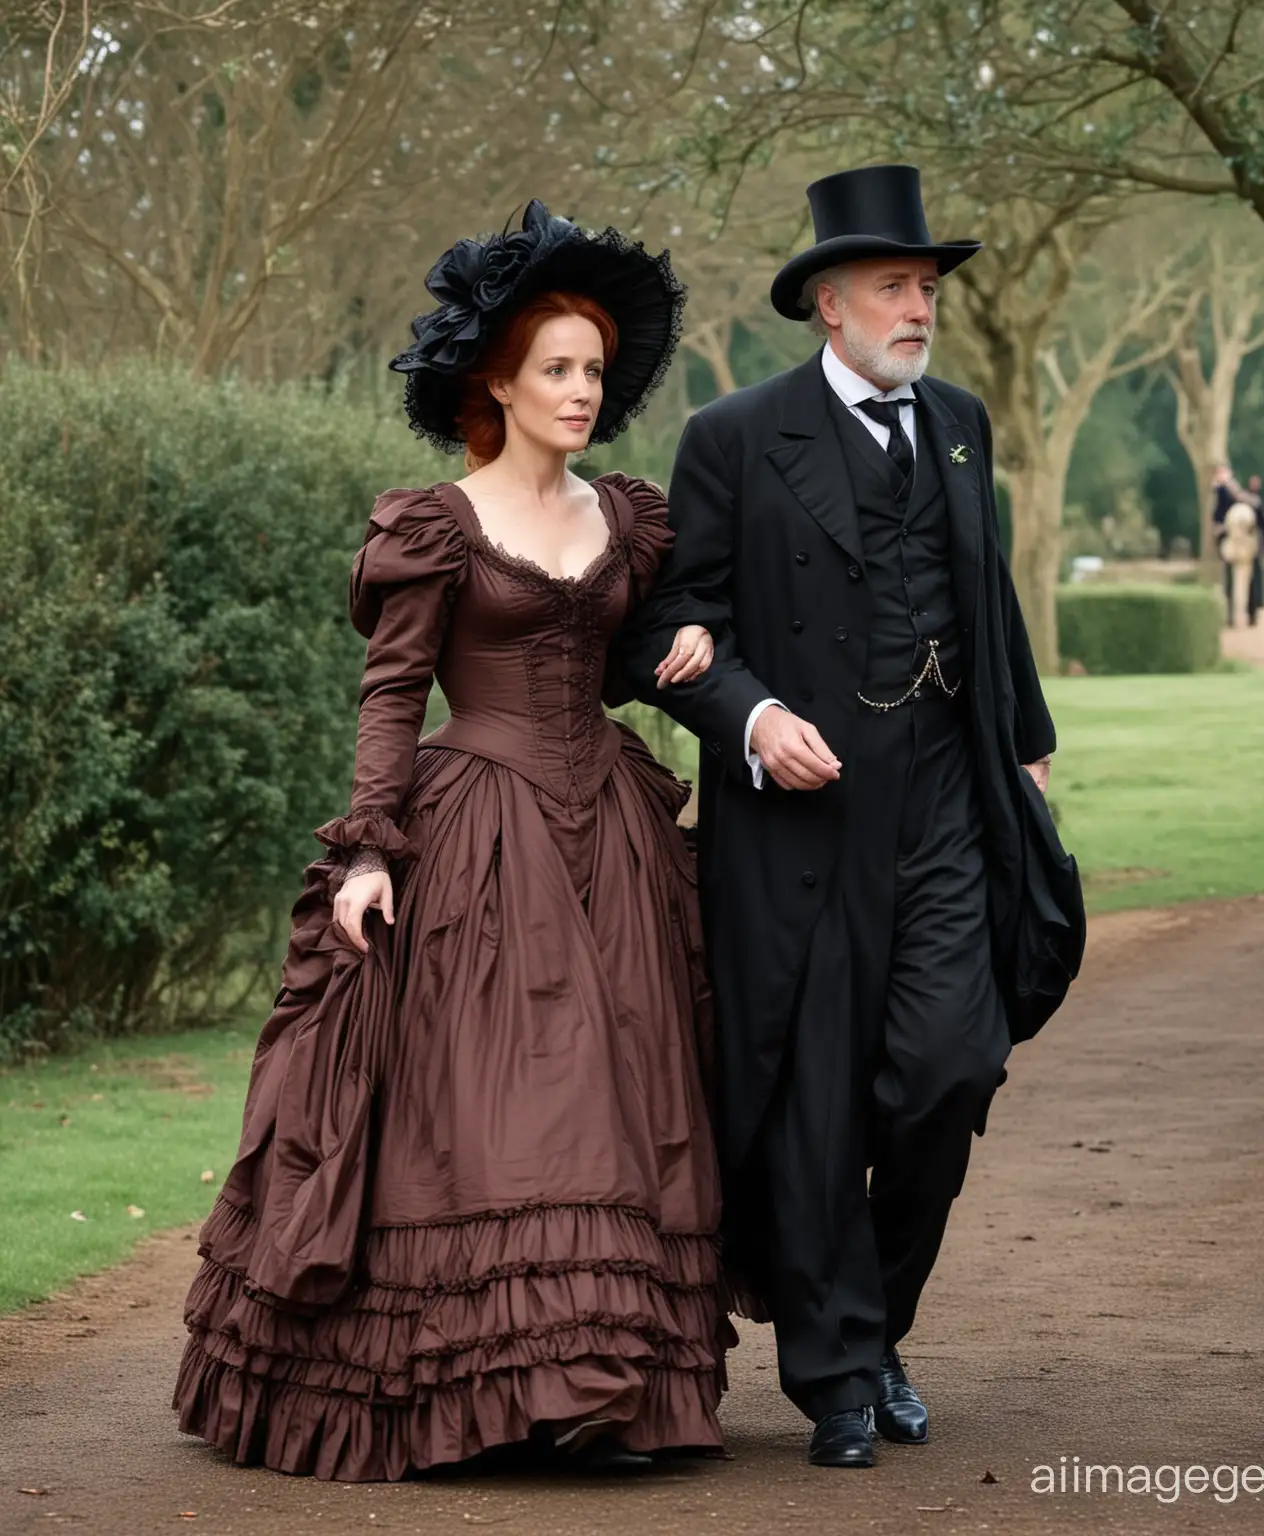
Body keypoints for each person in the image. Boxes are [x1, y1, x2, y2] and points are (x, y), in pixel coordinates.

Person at [173, 201, 731, 1481]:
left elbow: (628, 652)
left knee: (635, 1090)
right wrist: (369, 848)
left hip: (615, 838)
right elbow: (393, 694)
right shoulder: (437, 522)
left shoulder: (628, 520)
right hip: (480, 835)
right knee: (529, 1103)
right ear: (499, 380)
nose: (583, 390)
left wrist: (683, 653)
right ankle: (538, 1379)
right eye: (558, 368)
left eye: (594, 370)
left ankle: (611, 1380)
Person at [622, 165, 1070, 1469]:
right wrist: (754, 722)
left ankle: (874, 1330)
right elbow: (675, 623)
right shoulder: (735, 438)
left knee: (950, 1068)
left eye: (927, 287)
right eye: (894, 286)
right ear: (829, 302)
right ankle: (835, 1380)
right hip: (801, 819)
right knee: (813, 1105)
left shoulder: (964, 423)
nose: (918, 306)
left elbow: (991, 600)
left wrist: (1029, 752)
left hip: (941, 793)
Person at [1210, 466, 1264, 626]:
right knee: (1237, 581)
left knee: (1246, 580)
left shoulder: (1237, 499)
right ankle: (1239, 614)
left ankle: (1244, 613)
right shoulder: (1228, 497)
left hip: (1244, 545)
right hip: (1237, 545)